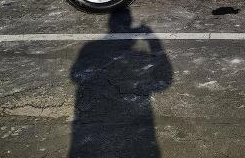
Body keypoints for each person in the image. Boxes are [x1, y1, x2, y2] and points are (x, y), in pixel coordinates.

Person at [69, 9, 172, 158]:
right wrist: (153, 41)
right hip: (134, 134)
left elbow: (75, 76)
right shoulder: (94, 48)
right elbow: (165, 81)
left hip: (97, 128)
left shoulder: (90, 47)